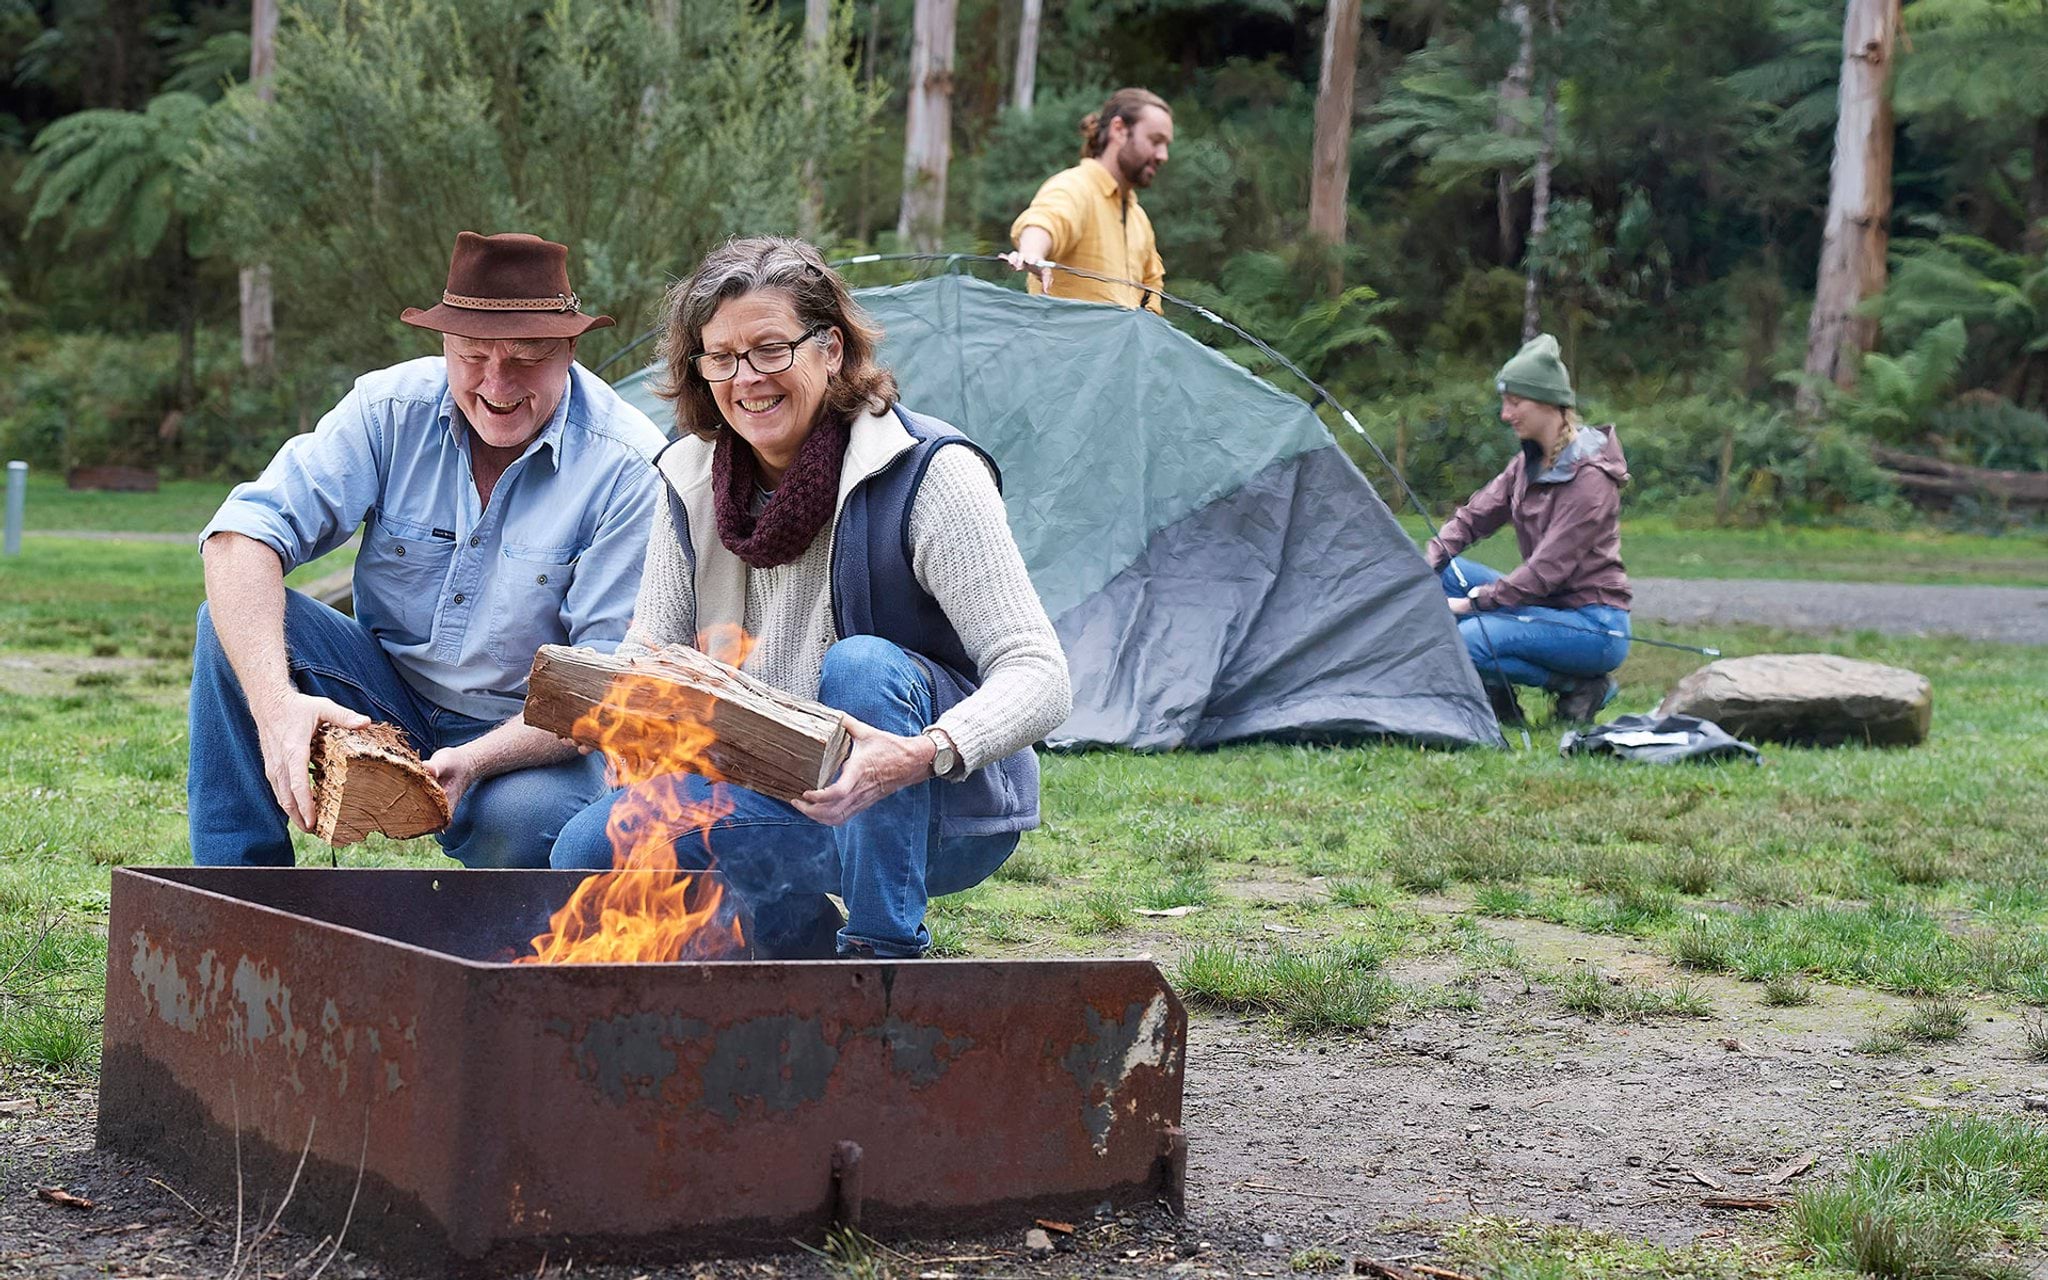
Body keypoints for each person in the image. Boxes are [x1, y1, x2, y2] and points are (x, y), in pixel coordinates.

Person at [550, 236, 1071, 959]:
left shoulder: (927, 472)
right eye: (721, 357)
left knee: (864, 666)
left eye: (771, 349)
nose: (746, 379)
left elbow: (1040, 672)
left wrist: (924, 752)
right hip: (780, 794)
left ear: (831, 349)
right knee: (589, 846)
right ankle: (799, 962)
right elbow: (651, 655)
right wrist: (624, 721)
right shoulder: (690, 480)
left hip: (933, 807)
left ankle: (881, 960)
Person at [189, 231, 668, 869]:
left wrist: (474, 760)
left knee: (527, 824)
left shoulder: (629, 465)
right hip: (384, 692)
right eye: (472, 354)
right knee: (229, 624)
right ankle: (235, 892)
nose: (497, 383)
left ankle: (505, 919)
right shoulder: (387, 408)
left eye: (526, 356)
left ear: (570, 349)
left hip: (528, 732)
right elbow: (239, 537)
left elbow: (600, 686)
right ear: (444, 344)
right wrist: (276, 710)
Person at [1423, 334, 1632, 725]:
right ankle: (1497, 693)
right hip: (1543, 605)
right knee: (1444, 574)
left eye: (1515, 403)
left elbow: (1543, 572)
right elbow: (1472, 518)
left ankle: (1580, 685)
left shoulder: (1591, 479)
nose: (1506, 414)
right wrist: (1425, 563)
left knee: (1468, 639)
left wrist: (1471, 604)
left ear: (1549, 403)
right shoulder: (1528, 464)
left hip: (1594, 625)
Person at [1002, 88, 1173, 313]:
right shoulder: (1074, 187)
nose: (1163, 155)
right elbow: (1046, 221)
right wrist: (1032, 254)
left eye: (1166, 145)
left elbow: (1152, 289)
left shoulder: (1139, 220)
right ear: (1119, 130)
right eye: (1155, 141)